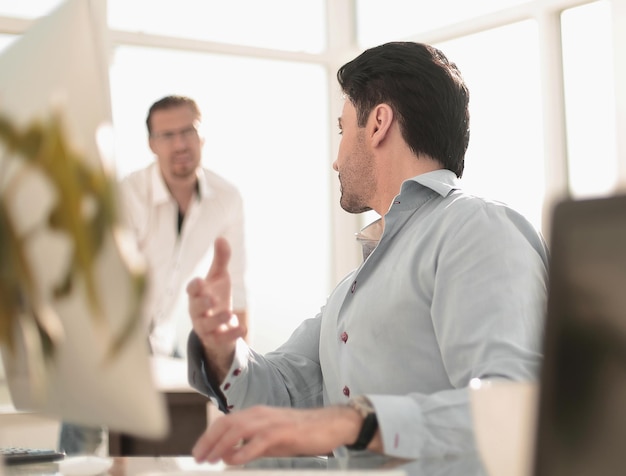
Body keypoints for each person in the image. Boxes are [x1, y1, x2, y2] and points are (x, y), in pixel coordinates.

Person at [186, 42, 549, 465]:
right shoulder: (354, 289)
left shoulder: (476, 227)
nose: (335, 162)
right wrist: (222, 352)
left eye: (342, 130)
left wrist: (357, 422)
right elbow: (285, 391)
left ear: (378, 123)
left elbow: (517, 409)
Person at [58, 95, 248, 454]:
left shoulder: (227, 198)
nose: (179, 144)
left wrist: (243, 382)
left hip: (158, 333)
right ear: (151, 144)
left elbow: (237, 286)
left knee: (170, 444)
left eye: (188, 131)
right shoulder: (128, 195)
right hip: (103, 333)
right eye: (167, 135)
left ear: (202, 136)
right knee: (80, 450)